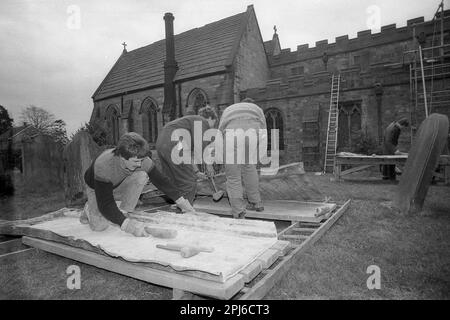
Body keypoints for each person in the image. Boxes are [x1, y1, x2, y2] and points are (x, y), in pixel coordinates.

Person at [82, 132, 194, 237]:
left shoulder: (140, 158)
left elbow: (161, 181)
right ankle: (88, 208)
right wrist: (126, 225)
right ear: (122, 157)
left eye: (142, 160)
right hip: (97, 189)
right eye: (136, 161)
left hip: (119, 183)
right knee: (99, 227)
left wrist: (181, 202)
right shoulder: (104, 165)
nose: (140, 164)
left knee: (141, 175)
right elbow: (106, 203)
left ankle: (125, 212)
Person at [156, 106, 218, 206]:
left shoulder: (188, 124)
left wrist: (197, 172)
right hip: (174, 143)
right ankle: (187, 212)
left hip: (161, 142)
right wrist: (209, 166)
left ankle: (177, 208)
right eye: (213, 124)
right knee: (189, 182)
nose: (210, 128)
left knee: (173, 181)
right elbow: (204, 147)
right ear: (210, 118)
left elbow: (188, 154)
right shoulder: (202, 121)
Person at [218, 98, 267, 219]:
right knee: (249, 167)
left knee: (233, 176)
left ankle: (239, 211)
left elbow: (219, 131)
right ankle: (257, 202)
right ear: (251, 103)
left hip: (231, 134)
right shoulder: (257, 109)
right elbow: (263, 131)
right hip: (252, 134)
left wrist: (220, 156)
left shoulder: (228, 109)